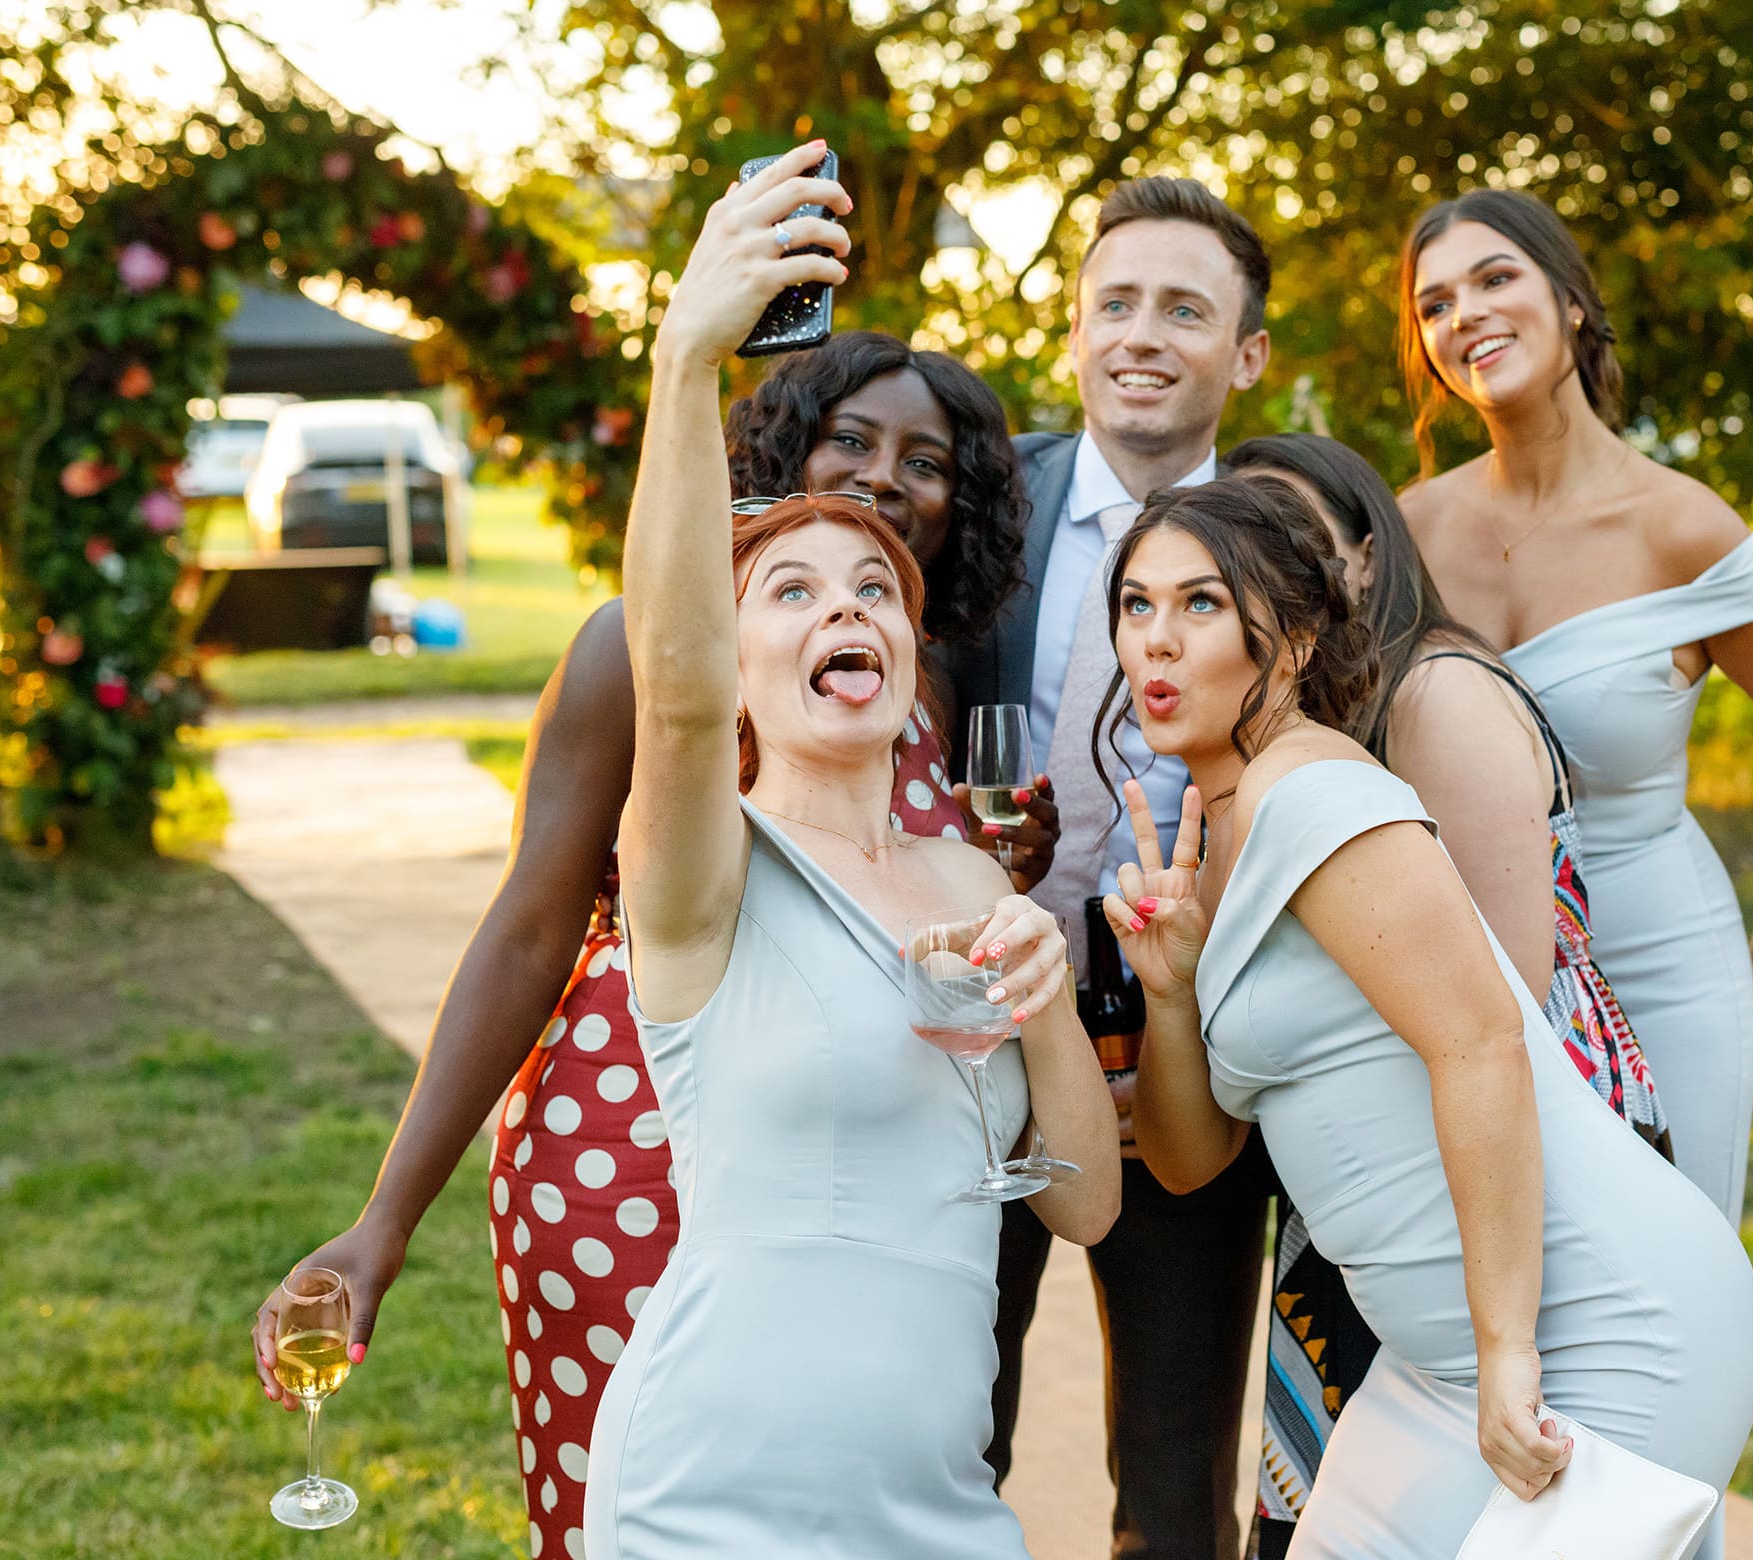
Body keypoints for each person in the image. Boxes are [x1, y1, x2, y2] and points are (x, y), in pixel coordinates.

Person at [250, 314, 1052, 1557]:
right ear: (785, 442)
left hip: (866, 1179)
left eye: (927, 460)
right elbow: (530, 927)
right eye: (852, 437)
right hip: (630, 1149)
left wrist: (1003, 873)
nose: (888, 474)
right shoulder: (638, 654)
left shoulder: (917, 678)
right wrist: (386, 1217)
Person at [586, 141, 1117, 1556]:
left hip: (945, 1509)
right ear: (748, 663)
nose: (850, 608)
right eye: (795, 591)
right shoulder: (706, 871)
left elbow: (1081, 1202)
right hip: (711, 1501)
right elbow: (676, 684)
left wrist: (1049, 998)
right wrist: (684, 363)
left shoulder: (971, 883)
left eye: (876, 586)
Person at [1109, 477, 1753, 1560]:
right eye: (1137, 606)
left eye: (1202, 604)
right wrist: (1171, 994)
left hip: (1598, 1328)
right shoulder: (1215, 832)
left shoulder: (1313, 791)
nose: (1157, 644)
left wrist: (1509, 1355)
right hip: (1433, 1365)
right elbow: (1188, 1160)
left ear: (1296, 639)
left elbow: (1483, 1044)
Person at [1397, 188, 1753, 1225]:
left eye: (1496, 279)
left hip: (1664, 970)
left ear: (1571, 301)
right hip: (1472, 981)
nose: (1466, 316)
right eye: (1435, 304)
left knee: (1670, 1300)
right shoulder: (1406, 533)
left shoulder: (1682, 528)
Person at [1223, 433, 1669, 1552]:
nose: (1262, 573)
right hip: (1410, 1153)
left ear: (1366, 561)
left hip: (1516, 1156)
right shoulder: (1321, 730)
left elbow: (1504, 1004)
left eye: (1295, 542)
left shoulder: (1433, 698)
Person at [947, 175, 1276, 1558]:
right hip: (969, 1040)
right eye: (1116, 304)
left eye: (1185, 309)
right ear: (1074, 333)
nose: (1143, 334)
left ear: (1245, 354)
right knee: (950, 1428)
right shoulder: (976, 508)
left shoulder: (1284, 534)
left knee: (1177, 1469)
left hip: (1196, 1045)